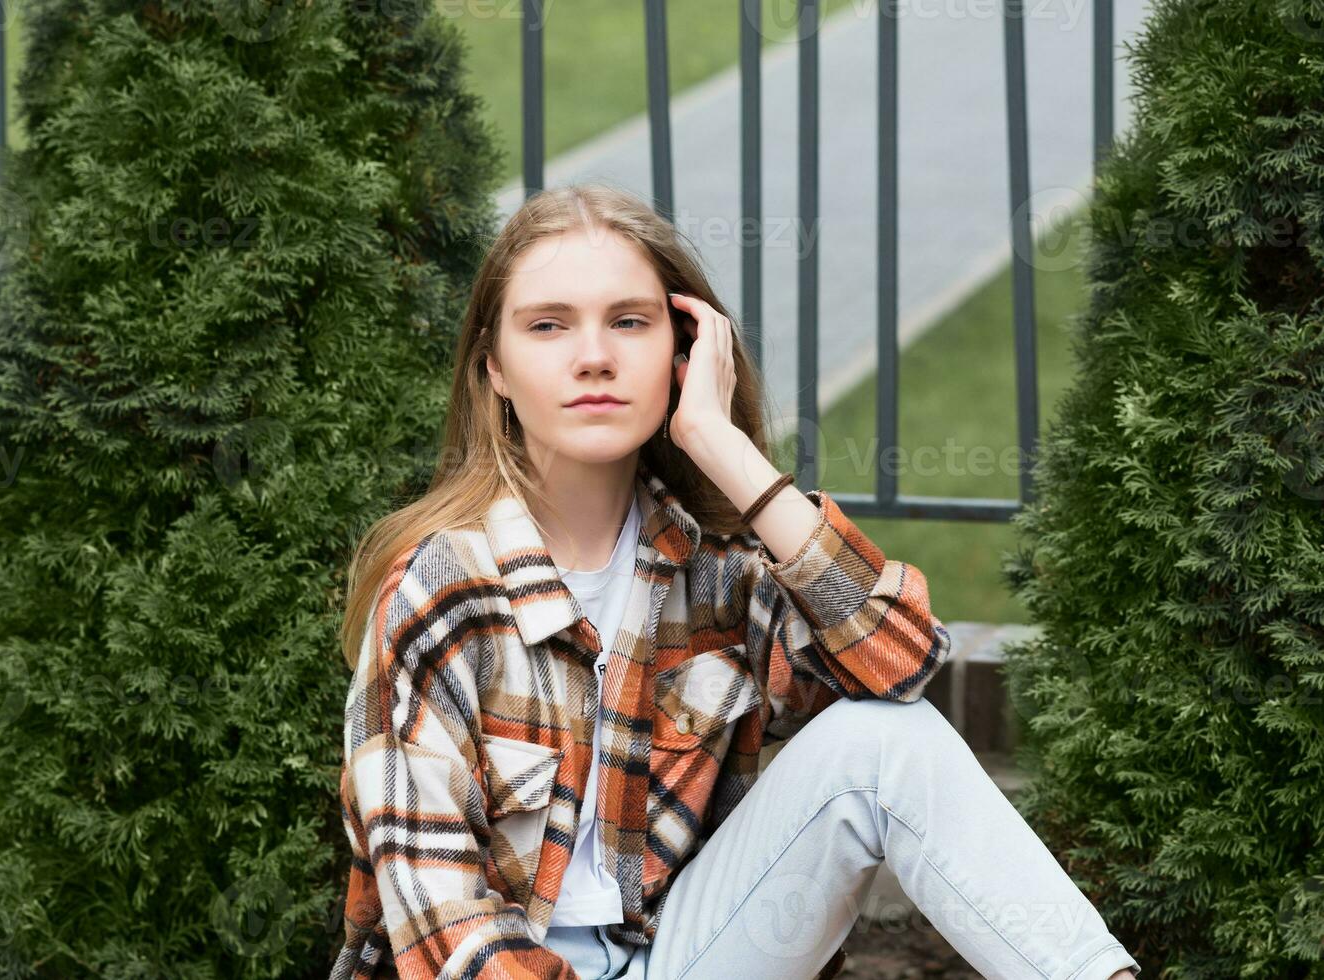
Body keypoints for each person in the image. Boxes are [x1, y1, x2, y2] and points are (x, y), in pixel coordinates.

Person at [328, 182, 1142, 980]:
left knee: (884, 743)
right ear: (495, 369)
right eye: (548, 326)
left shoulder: (715, 570)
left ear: (683, 353)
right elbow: (442, 924)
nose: (594, 357)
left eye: (630, 322)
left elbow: (902, 663)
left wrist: (728, 453)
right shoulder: (440, 591)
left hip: (684, 954)